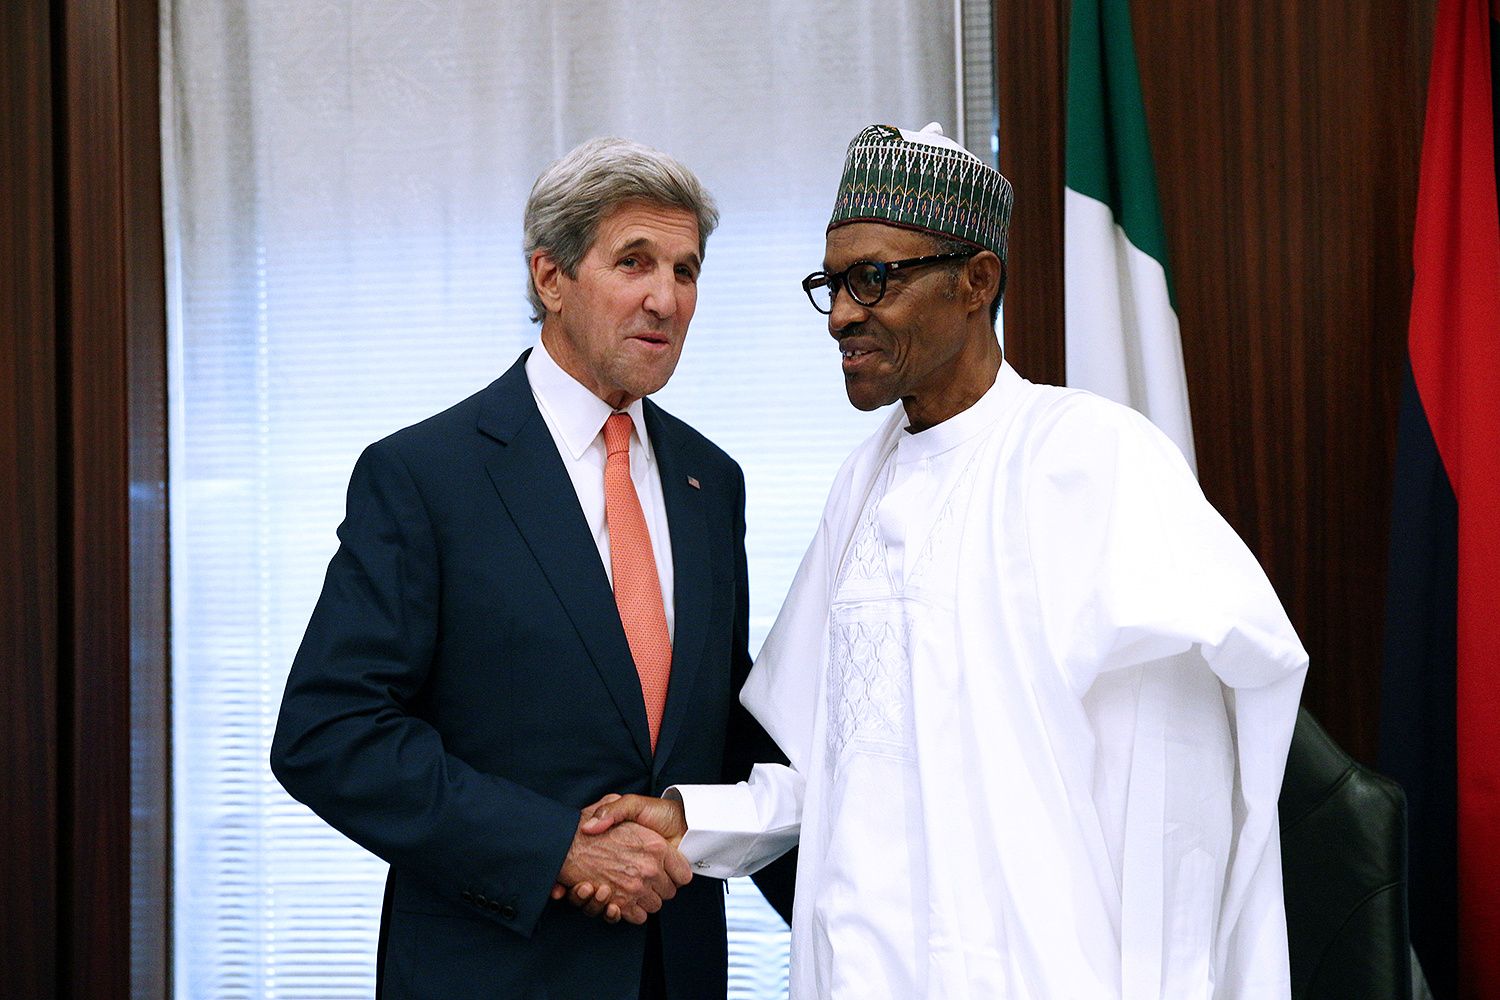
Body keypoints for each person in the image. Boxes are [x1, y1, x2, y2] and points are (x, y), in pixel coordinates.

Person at [579, 123, 1310, 999]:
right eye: (832, 284)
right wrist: (690, 818)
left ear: (977, 282)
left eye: (874, 279)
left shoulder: (1091, 460)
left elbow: (1174, 814)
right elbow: (833, 771)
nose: (843, 313)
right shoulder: (864, 481)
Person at [271, 136, 792, 1000]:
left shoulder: (713, 483)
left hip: (677, 969)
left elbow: (724, 734)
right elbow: (330, 733)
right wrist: (557, 845)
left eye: (687, 269)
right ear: (550, 277)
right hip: (492, 968)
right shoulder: (426, 476)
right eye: (635, 262)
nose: (667, 298)